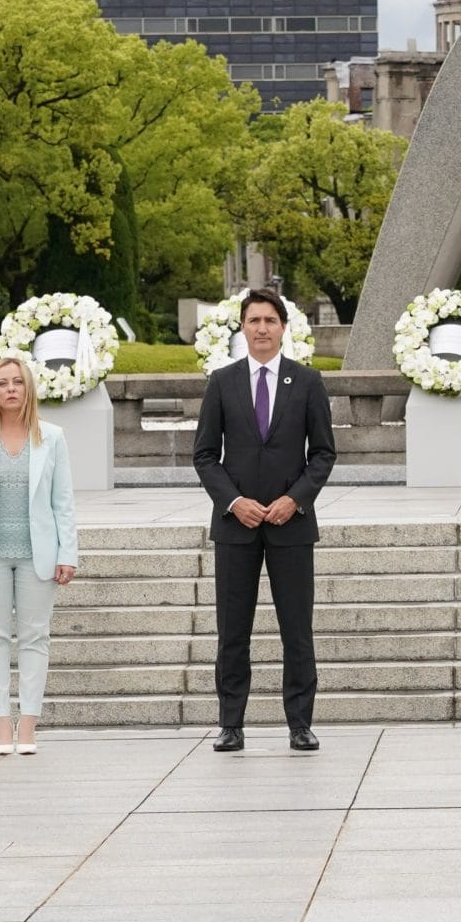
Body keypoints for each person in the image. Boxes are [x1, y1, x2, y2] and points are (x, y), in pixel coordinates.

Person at [193, 288, 337, 754]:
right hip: (236, 527)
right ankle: (231, 723)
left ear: (282, 328)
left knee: (297, 629)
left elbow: (323, 453)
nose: (261, 329)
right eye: (253, 320)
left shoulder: (308, 381)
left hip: (290, 526)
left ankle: (300, 723)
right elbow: (204, 456)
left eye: (269, 321)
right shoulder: (222, 382)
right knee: (233, 630)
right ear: (242, 327)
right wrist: (234, 502)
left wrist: (294, 500)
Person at [0, 357, 79, 754]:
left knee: (35, 638)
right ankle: (2, 726)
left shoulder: (52, 437)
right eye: (2, 383)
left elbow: (63, 501)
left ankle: (29, 727)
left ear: (28, 388)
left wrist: (67, 552)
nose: (10, 389)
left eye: (17, 382)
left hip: (38, 553)